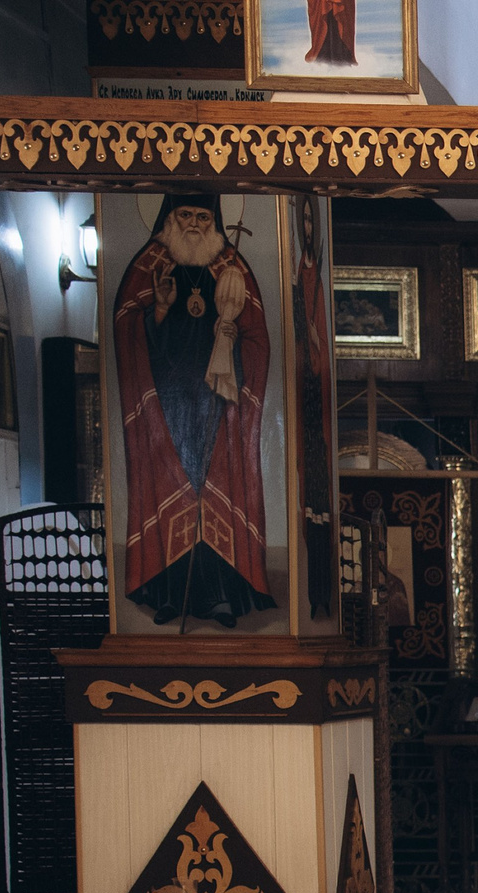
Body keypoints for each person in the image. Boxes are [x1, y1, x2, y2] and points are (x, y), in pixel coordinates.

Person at [112, 194, 274, 628]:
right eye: (185, 214)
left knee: (214, 488)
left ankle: (219, 597)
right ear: (168, 217)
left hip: (218, 404)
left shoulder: (233, 268)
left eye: (203, 216)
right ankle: (168, 594)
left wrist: (230, 339)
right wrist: (161, 308)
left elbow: (258, 340)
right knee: (172, 487)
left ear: (215, 221)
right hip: (164, 407)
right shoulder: (150, 265)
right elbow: (127, 327)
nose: (194, 224)